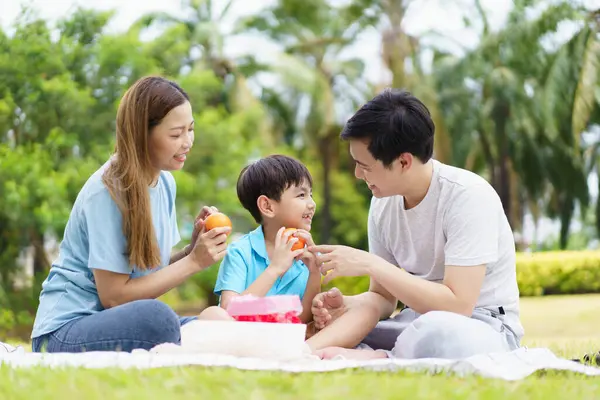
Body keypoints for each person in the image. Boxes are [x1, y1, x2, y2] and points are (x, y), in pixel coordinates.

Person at [306, 88, 525, 360]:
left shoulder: (467, 196)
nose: (357, 174)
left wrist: (372, 264)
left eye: (365, 165)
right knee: (325, 329)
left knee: (440, 335)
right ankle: (366, 353)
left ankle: (383, 358)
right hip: (412, 323)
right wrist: (345, 307)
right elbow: (384, 299)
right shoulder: (383, 202)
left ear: (403, 161)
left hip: (480, 326)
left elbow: (458, 306)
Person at [31, 76, 232, 353]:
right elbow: (114, 297)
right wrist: (194, 263)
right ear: (142, 135)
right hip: (65, 331)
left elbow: (146, 273)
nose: (187, 142)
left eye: (191, 130)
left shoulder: (164, 183)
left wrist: (191, 252)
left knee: (217, 321)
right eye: (176, 134)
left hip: (114, 323)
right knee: (158, 319)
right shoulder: (107, 191)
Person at [213, 155, 321, 324]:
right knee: (212, 314)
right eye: (301, 195)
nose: (312, 204)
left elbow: (303, 321)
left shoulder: (307, 257)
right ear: (267, 206)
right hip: (241, 337)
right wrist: (275, 268)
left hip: (281, 339)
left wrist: (315, 273)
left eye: (311, 195)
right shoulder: (240, 252)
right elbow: (230, 311)